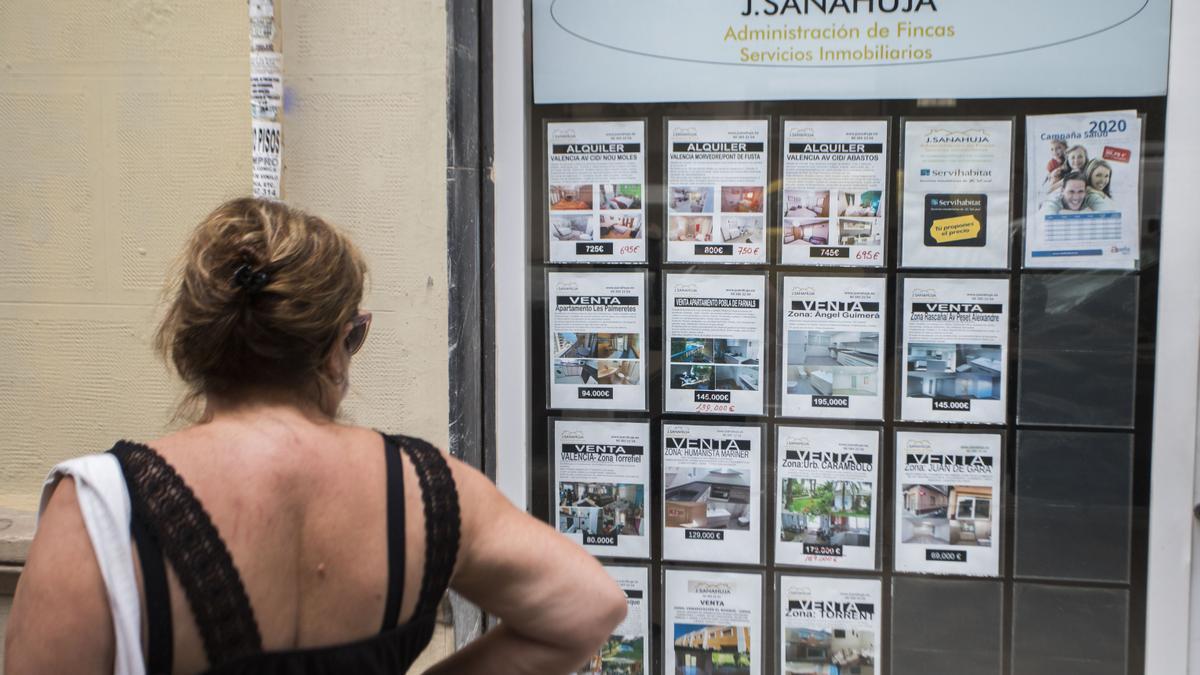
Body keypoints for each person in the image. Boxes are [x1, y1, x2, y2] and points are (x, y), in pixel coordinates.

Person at [5, 198, 626, 675]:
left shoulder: (102, 508)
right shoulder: (430, 489)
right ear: (334, 349)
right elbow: (588, 608)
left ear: (193, 344)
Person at [1041, 171, 1116, 214]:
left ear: (1085, 191)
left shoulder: (1089, 196)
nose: (1076, 197)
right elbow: (1046, 213)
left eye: (1080, 191)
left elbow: (1107, 210)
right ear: (1062, 191)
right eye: (1071, 191)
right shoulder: (1055, 200)